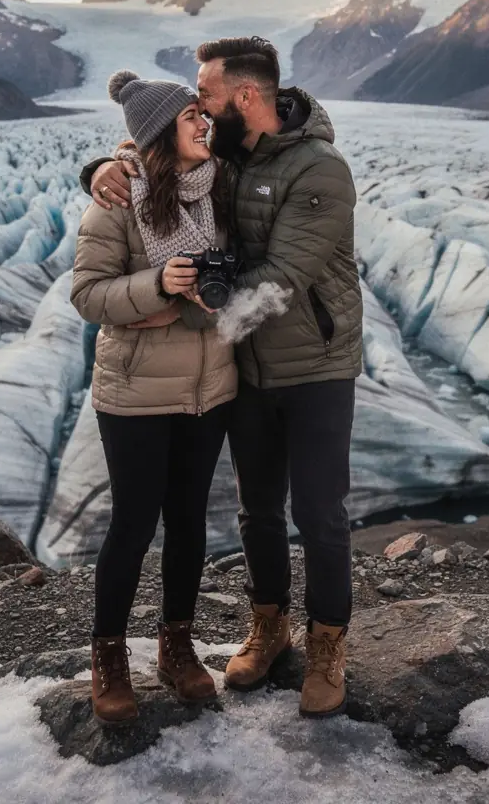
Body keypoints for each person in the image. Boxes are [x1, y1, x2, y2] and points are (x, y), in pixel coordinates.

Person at [83, 37, 362, 719]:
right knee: (256, 510)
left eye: (205, 95)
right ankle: (269, 626)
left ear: (243, 95)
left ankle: (327, 647)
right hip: (243, 367)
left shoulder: (319, 168)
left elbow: (284, 276)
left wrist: (171, 304)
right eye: (193, 105)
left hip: (313, 364)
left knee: (318, 513)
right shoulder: (226, 157)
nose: (201, 108)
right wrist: (103, 168)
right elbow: (153, 163)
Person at [71, 69, 237, 726]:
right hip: (136, 392)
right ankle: (109, 657)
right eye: (192, 115)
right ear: (162, 131)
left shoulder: (219, 190)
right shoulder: (116, 201)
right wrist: (158, 285)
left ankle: (177, 646)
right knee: (134, 524)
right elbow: (88, 295)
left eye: (203, 113)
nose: (204, 122)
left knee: (189, 522)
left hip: (208, 387)